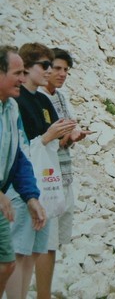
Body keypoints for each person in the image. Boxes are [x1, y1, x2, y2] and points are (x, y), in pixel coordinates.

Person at [6, 43, 75, 299]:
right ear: (27, 66)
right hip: (22, 186)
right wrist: (49, 136)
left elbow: (51, 140)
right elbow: (22, 146)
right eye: (45, 65)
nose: (49, 71)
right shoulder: (16, 101)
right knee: (19, 251)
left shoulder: (44, 100)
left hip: (44, 184)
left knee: (36, 250)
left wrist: (61, 135)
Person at [34, 48, 91, 299]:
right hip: (46, 177)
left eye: (66, 70)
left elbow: (64, 136)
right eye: (57, 68)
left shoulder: (62, 97)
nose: (61, 74)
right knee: (46, 241)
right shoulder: (36, 99)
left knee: (54, 242)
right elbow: (43, 139)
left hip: (64, 173)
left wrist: (73, 136)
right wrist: (66, 135)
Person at [0, 45, 46, 298]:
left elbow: (19, 157)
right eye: (17, 72)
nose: (22, 78)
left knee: (6, 264)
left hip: (5, 197)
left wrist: (31, 196)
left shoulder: (11, 108)